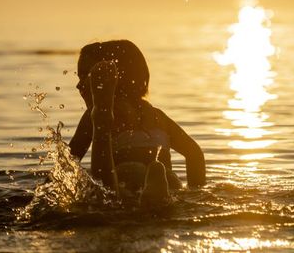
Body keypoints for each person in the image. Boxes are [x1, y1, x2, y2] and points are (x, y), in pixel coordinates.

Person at [68, 40, 206, 206]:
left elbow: (68, 162)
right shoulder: (158, 116)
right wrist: (196, 193)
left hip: (124, 179)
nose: (78, 85)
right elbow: (194, 153)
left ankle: (139, 193)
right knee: (160, 190)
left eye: (85, 76)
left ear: (109, 79)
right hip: (169, 181)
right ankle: (158, 187)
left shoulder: (93, 115)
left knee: (105, 192)